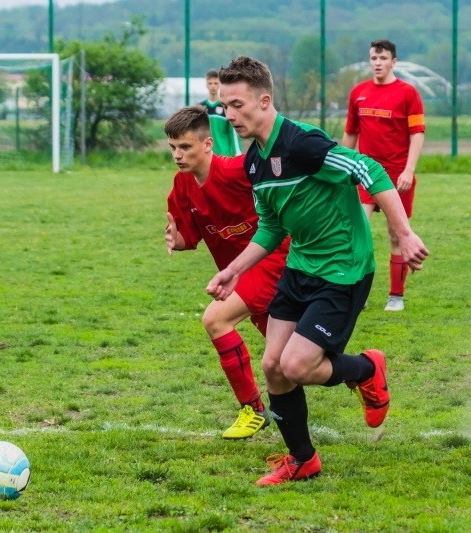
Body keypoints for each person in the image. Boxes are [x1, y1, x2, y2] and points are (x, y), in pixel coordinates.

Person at [207, 56, 429, 485]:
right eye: (225, 105)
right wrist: (234, 270)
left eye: (236, 104)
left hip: (342, 270)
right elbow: (272, 225)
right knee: (273, 365)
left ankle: (366, 369)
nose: (228, 114)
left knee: (297, 367)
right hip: (299, 267)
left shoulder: (304, 145)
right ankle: (303, 460)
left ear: (264, 100)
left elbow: (370, 169)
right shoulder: (255, 162)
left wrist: (402, 234)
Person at [164, 104, 291, 439]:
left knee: (215, 319)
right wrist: (175, 239)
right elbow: (187, 238)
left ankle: (252, 409)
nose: (178, 155)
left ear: (207, 144)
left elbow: (280, 185)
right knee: (292, 360)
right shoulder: (181, 186)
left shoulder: (238, 170)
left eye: (186, 147)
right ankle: (362, 370)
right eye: (173, 148)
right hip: (239, 273)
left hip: (272, 260)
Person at [342, 39, 426, 312]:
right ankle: (358, 293)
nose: (377, 63)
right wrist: (342, 168)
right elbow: (351, 133)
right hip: (365, 174)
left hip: (396, 177)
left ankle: (396, 297)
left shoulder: (408, 93)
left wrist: (409, 170)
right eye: (373, 58)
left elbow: (417, 133)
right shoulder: (358, 93)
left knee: (395, 233)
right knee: (357, 232)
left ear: (393, 62)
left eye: (382, 58)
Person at [200, 69, 242, 157]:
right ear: (206, 85)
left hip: (223, 155)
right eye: (210, 83)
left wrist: (238, 154)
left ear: (220, 85)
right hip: (204, 156)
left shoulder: (226, 107)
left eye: (215, 83)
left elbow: (233, 132)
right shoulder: (200, 108)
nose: (213, 86)